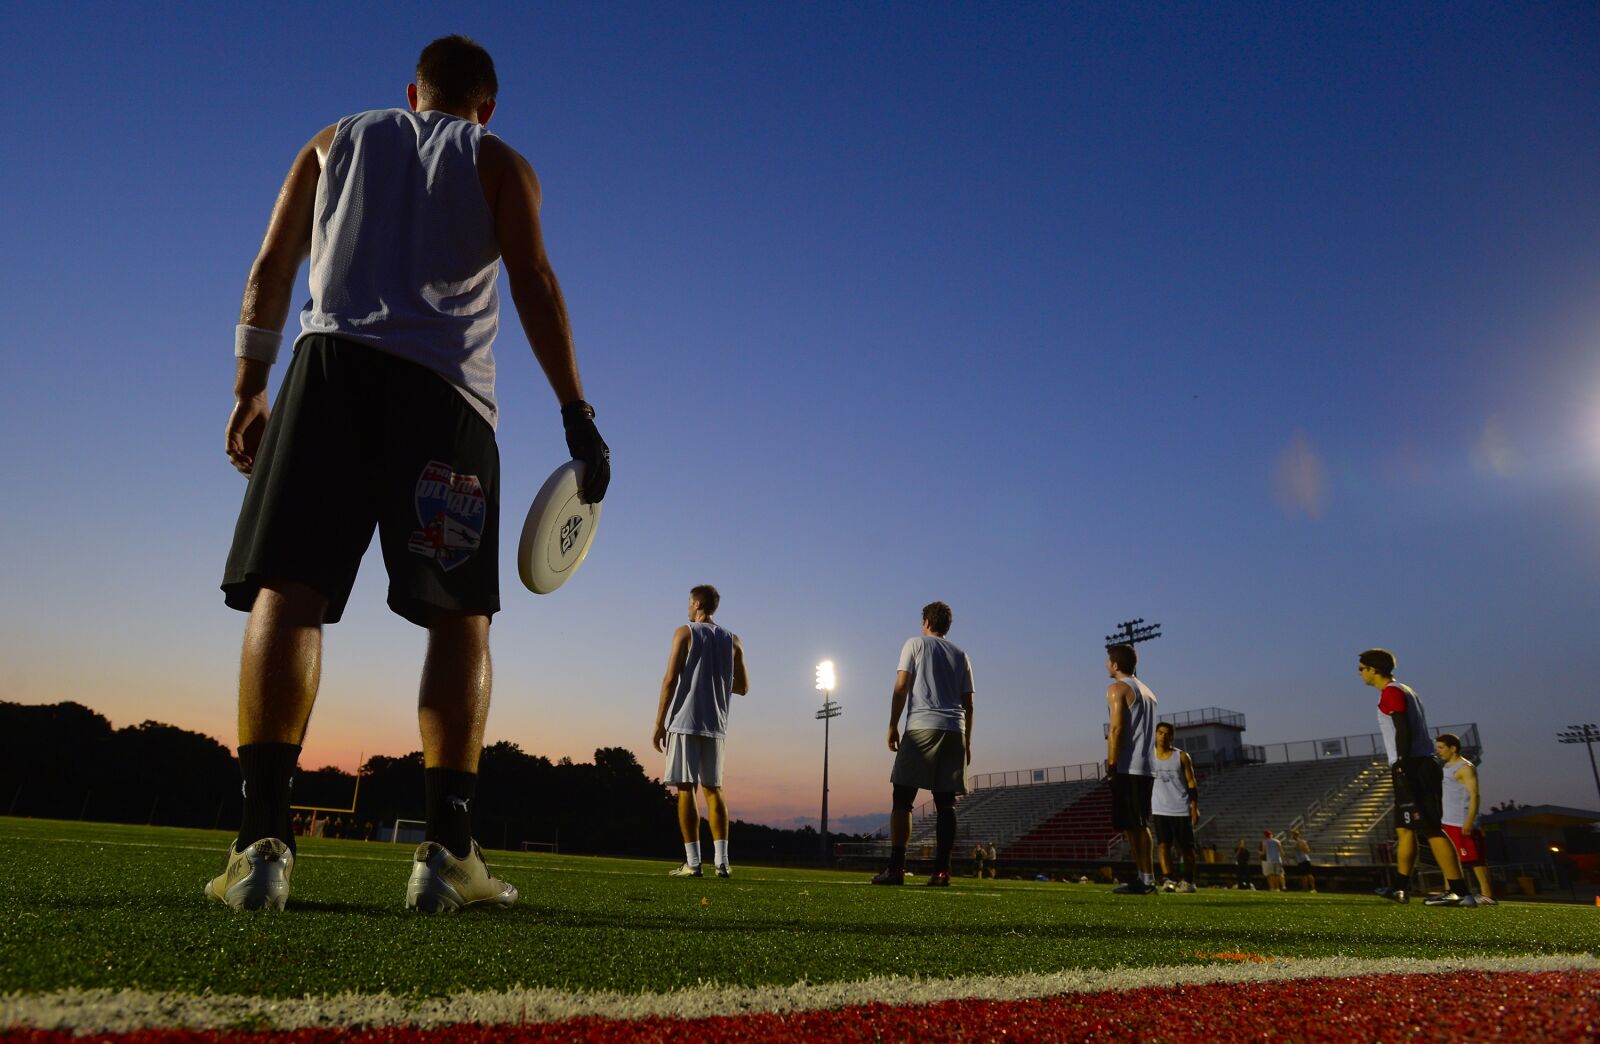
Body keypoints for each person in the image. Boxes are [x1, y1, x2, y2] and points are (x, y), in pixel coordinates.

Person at [207, 36, 611, 913]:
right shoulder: (500, 160)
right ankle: (445, 853)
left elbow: (271, 267)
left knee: (289, 589)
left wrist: (249, 387)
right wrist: (578, 414)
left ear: (411, 92)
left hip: (327, 375)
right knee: (458, 616)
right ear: (486, 107)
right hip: (446, 398)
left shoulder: (333, 140)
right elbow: (535, 281)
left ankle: (262, 848)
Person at [1357, 649, 1473, 906]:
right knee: (1404, 829)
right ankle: (1399, 888)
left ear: (1374, 669)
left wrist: (1401, 764)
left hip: (1415, 765)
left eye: (1362, 668)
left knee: (1431, 829)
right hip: (1415, 763)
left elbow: (1402, 728)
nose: (1359, 672)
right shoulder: (1403, 689)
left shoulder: (1392, 691)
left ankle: (1460, 891)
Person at [872, 602, 974, 887]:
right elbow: (969, 703)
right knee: (946, 804)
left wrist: (892, 724)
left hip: (921, 727)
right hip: (955, 730)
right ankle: (942, 871)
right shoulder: (961, 654)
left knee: (902, 799)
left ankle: (896, 869)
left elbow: (902, 686)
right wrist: (967, 741)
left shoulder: (915, 644)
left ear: (927, 621)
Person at [653, 585, 750, 879]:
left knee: (685, 788)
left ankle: (693, 863)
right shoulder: (733, 640)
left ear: (696, 603)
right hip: (717, 724)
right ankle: (723, 862)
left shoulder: (685, 632)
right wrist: (715, 680)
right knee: (713, 790)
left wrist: (659, 722)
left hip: (685, 720)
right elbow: (743, 687)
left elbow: (670, 679)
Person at [1105, 643, 1158, 894]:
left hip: (1129, 764)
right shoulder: (1148, 691)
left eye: (1108, 661)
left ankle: (1146, 879)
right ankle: (1144, 877)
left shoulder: (1118, 688)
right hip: (1147, 764)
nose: (1106, 665)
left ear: (1115, 664)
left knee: (1135, 824)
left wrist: (1112, 764)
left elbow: (1115, 729)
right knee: (1137, 823)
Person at [1436, 733, 1497, 905]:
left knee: (1475, 859)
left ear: (1453, 748)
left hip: (1460, 821)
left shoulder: (1465, 767)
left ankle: (1487, 895)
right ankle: (1451, 892)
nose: (1438, 751)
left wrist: (1469, 820)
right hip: (1448, 821)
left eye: (1441, 747)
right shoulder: (1446, 767)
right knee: (1449, 859)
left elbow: (1474, 795)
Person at [1149, 722, 1199, 893]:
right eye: (1160, 732)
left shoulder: (1182, 756)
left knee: (1186, 848)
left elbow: (1191, 782)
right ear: (1155, 734)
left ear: (1172, 736)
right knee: (1163, 845)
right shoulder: (1149, 756)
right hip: (1159, 809)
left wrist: (1194, 807)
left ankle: (1189, 881)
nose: (1163, 736)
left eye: (1166, 733)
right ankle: (1168, 879)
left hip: (1180, 808)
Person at [1289, 827, 1316, 892]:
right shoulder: (1294, 843)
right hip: (1300, 861)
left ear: (1296, 835)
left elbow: (1307, 850)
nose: (1292, 836)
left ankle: (1313, 889)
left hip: (1305, 860)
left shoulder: (1302, 841)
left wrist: (1301, 847)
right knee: (1303, 875)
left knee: (1308, 875)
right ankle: (1305, 888)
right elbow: (1293, 852)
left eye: (1293, 835)